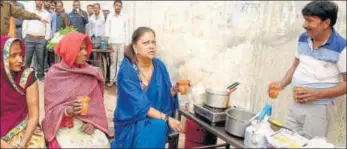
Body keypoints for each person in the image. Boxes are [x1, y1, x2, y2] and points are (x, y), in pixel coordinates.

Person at [268, 1, 346, 138]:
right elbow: (295, 66)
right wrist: (281, 84)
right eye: (305, 19)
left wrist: (316, 94)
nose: (304, 25)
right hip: (296, 104)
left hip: (319, 109)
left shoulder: (341, 47)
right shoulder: (304, 38)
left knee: (311, 144)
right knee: (289, 140)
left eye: (309, 21)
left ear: (325, 23)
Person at [111, 27, 184, 148]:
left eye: (153, 42)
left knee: (158, 126)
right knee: (160, 125)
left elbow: (164, 96)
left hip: (155, 119)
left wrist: (174, 90)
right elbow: (139, 106)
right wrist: (167, 119)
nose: (151, 46)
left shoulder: (159, 65)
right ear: (135, 47)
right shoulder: (127, 69)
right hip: (131, 122)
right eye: (145, 43)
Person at [42, 32, 111, 148]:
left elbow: (97, 106)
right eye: (80, 49)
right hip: (62, 123)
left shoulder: (91, 74)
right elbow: (50, 111)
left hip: (87, 123)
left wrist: (93, 123)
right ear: (69, 51)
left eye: (85, 49)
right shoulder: (54, 74)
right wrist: (68, 111)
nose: (85, 53)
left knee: (102, 144)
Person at [0, 35, 45, 148]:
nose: (20, 60)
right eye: (13, 56)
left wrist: (22, 145)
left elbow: (34, 116)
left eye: (20, 54)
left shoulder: (27, 76)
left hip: (25, 129)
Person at [22, 0, 51, 81]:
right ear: (35, 1)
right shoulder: (30, 11)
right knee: (27, 59)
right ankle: (25, 77)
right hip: (29, 38)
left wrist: (46, 38)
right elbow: (25, 23)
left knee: (40, 58)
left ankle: (40, 75)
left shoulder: (46, 13)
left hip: (41, 39)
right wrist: (25, 36)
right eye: (38, 0)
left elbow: (48, 26)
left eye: (41, 1)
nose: (39, 2)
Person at [105, 0, 129, 87]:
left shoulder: (125, 17)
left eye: (119, 5)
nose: (118, 7)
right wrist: (109, 42)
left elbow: (127, 30)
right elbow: (107, 29)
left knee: (120, 62)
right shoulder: (109, 16)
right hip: (113, 42)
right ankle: (111, 80)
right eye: (116, 5)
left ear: (121, 7)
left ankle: (118, 80)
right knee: (113, 62)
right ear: (114, 6)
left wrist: (126, 43)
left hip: (121, 42)